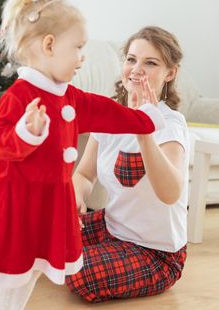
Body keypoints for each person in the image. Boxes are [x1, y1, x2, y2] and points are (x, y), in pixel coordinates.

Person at [0, 0, 167, 310]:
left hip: (52, 205)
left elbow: (107, 111)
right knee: (12, 273)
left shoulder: (70, 95)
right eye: (78, 48)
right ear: (50, 46)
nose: (82, 58)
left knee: (31, 274)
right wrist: (26, 132)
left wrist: (145, 119)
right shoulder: (21, 94)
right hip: (20, 206)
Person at [66, 26, 188, 303]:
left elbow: (170, 193)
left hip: (156, 253)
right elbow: (84, 174)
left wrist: (144, 128)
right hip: (112, 228)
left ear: (170, 73)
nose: (137, 69)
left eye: (151, 63)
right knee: (45, 231)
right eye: (131, 59)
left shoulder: (170, 125)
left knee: (78, 273)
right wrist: (75, 196)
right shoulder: (110, 114)